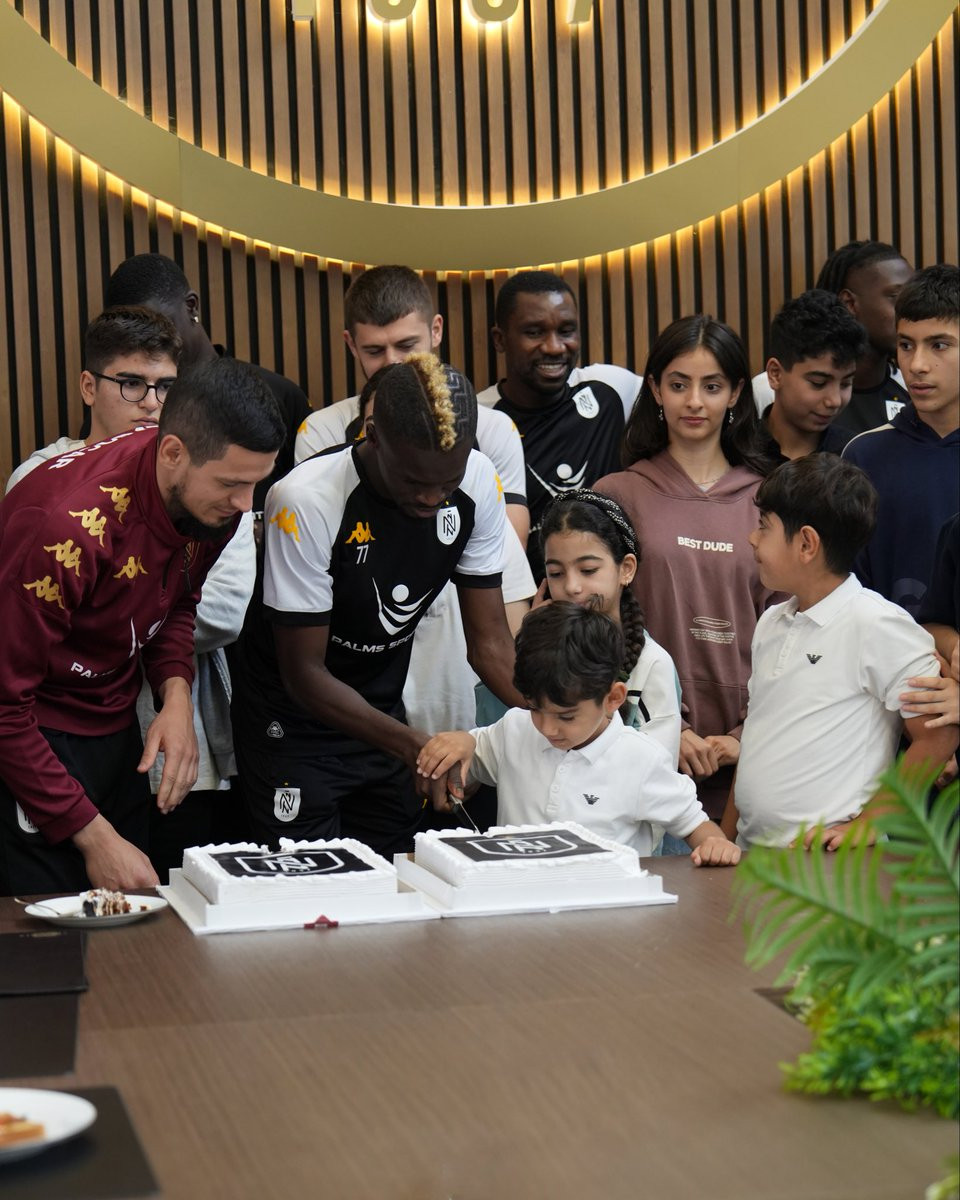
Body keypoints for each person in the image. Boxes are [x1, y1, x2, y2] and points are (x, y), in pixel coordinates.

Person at [0, 357, 285, 895]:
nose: (244, 505)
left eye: (256, 483)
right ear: (172, 451)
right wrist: (94, 838)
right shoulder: (64, 530)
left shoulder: (212, 506)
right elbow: (4, 708)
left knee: (132, 921)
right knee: (51, 931)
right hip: (34, 739)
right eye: (231, 483)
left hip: (117, 731)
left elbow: (177, 601)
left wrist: (175, 695)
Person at [232, 355, 523, 855]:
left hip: (383, 717)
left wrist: (557, 717)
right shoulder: (305, 499)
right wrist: (418, 748)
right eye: (414, 481)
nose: (432, 498)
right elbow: (304, 674)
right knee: (313, 884)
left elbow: (491, 644)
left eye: (446, 483)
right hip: (292, 723)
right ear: (373, 435)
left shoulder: (477, 480)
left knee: (394, 876)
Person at [293, 265, 535, 735]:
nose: (393, 364)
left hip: (458, 625)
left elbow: (504, 556)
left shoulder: (491, 430)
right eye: (374, 351)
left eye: (407, 346)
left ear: (436, 331)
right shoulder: (319, 434)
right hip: (356, 642)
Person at [595, 316, 777, 830]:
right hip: (637, 750)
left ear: (736, 393)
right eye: (679, 385)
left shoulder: (771, 497)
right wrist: (663, 726)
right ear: (655, 389)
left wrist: (746, 737)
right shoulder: (616, 494)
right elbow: (590, 628)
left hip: (754, 756)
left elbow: (796, 631)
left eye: (711, 386)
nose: (694, 401)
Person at [723, 456, 956, 850]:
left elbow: (940, 736)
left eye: (764, 526)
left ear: (806, 544)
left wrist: (869, 823)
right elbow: (757, 743)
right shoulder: (771, 621)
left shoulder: (879, 623)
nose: (752, 538)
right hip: (751, 853)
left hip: (833, 863)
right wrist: (726, 838)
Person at [417, 603, 739, 865]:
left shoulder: (641, 760)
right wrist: (462, 742)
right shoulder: (514, 729)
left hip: (607, 915)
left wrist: (715, 844)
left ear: (613, 698)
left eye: (566, 716)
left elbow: (696, 826)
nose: (547, 728)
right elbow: (473, 751)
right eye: (535, 708)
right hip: (518, 905)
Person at [104, 252, 311, 510]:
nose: (151, 342)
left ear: (191, 306)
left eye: (161, 324)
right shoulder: (120, 405)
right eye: (133, 336)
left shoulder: (279, 396)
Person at [477, 270, 642, 578]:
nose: (554, 347)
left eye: (566, 331)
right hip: (525, 600)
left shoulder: (611, 390)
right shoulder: (481, 420)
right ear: (500, 339)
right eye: (534, 332)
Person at [842, 264, 960, 617]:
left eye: (939, 345)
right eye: (906, 345)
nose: (917, 364)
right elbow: (845, 591)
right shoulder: (864, 455)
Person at [538, 490, 681, 764]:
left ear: (626, 568)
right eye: (556, 573)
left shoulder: (651, 665)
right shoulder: (538, 651)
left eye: (588, 570)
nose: (572, 586)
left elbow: (657, 769)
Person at [752, 241, 913, 433]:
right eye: (897, 297)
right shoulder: (770, 388)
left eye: (912, 299)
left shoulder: (913, 386)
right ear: (849, 303)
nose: (911, 312)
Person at [760, 289, 868, 462]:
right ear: (775, 374)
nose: (835, 401)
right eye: (819, 383)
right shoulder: (735, 451)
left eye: (846, 383)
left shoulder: (854, 455)